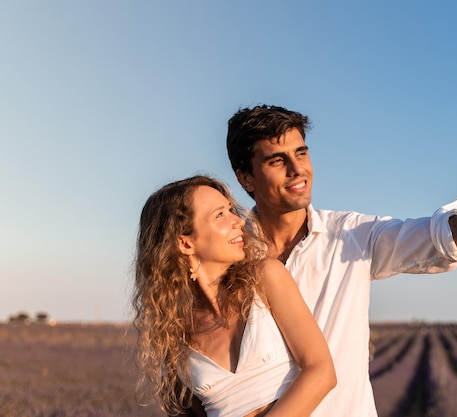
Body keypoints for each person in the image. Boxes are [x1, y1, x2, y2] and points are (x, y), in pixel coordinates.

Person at [191, 105, 457, 417]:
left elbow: (455, 234)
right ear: (245, 177)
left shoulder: (352, 236)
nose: (297, 169)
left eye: (301, 153)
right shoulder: (223, 252)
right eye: (277, 160)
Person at [132, 175, 336, 417]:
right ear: (185, 244)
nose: (239, 221)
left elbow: (321, 371)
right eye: (220, 215)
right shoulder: (171, 330)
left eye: (230, 210)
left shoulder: (266, 277)